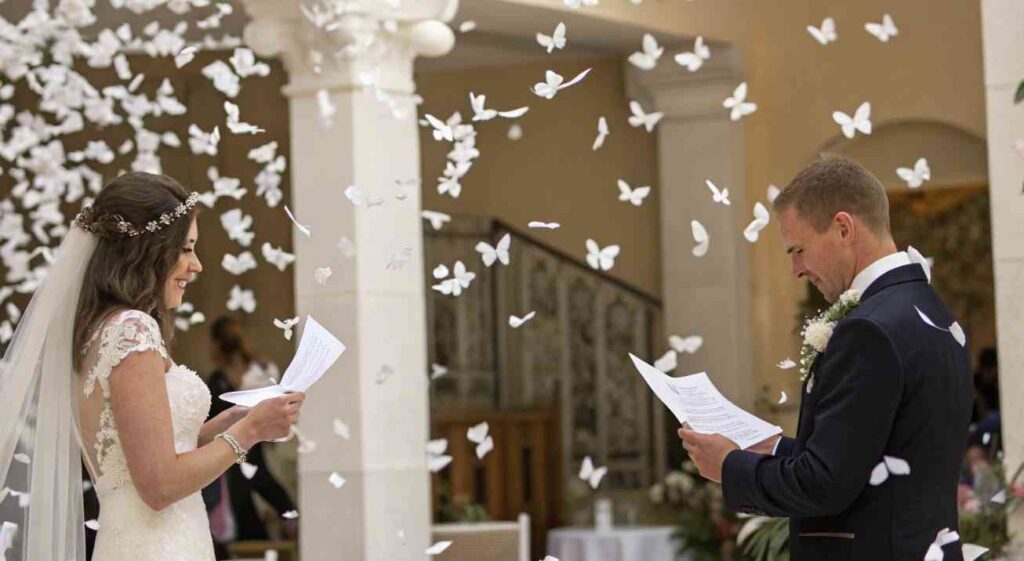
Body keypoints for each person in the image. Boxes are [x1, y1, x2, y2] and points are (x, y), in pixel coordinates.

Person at [678, 154, 972, 560]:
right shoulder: (928, 309)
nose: (796, 269)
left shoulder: (869, 329)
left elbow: (826, 484)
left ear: (844, 228)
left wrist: (729, 467)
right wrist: (776, 448)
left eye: (798, 250)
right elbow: (871, 452)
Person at [0, 171, 305, 561]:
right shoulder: (131, 331)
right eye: (186, 248)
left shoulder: (97, 331)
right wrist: (249, 431)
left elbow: (143, 457)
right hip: (159, 546)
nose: (196, 265)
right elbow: (159, 486)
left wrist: (228, 426)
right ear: (148, 251)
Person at [202, 316, 297, 559]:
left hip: (227, 464)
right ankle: (289, 516)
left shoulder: (219, 383)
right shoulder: (261, 373)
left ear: (216, 344)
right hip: (249, 458)